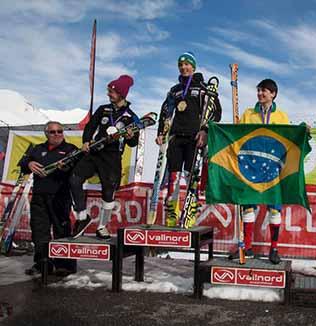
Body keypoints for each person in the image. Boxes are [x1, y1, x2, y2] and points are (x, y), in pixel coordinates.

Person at [156, 52, 221, 227]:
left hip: (195, 138)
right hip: (176, 137)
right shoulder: (175, 90)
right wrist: (162, 132)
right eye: (181, 65)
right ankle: (172, 213)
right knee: (173, 177)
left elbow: (216, 112)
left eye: (187, 64)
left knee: (191, 176)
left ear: (193, 66)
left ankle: (190, 211)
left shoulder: (203, 87)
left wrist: (205, 131)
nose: (184, 68)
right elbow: (166, 112)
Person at [228, 79, 289, 265]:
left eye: (265, 91)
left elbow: (288, 140)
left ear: (273, 94)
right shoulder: (248, 113)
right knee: (248, 206)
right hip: (251, 168)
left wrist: (303, 131)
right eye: (259, 90)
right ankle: (246, 247)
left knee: (274, 210)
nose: (261, 93)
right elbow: (239, 137)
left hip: (272, 168)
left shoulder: (281, 116)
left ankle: (274, 249)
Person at [70, 75, 139, 239]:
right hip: (95, 152)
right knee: (74, 179)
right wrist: (86, 141)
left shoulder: (131, 116)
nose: (109, 94)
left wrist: (129, 136)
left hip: (112, 158)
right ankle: (82, 217)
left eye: (112, 91)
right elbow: (90, 126)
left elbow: (133, 142)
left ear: (121, 94)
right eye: (109, 91)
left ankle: (102, 227)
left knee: (108, 193)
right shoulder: (103, 109)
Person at [20, 121, 77, 276]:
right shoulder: (38, 149)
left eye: (59, 131)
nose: (57, 134)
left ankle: (64, 264)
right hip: (39, 197)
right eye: (53, 132)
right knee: (39, 231)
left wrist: (67, 167)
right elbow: (23, 162)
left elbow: (81, 167)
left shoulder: (70, 149)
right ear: (46, 134)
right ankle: (42, 263)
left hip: (60, 196)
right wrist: (29, 163)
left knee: (62, 231)